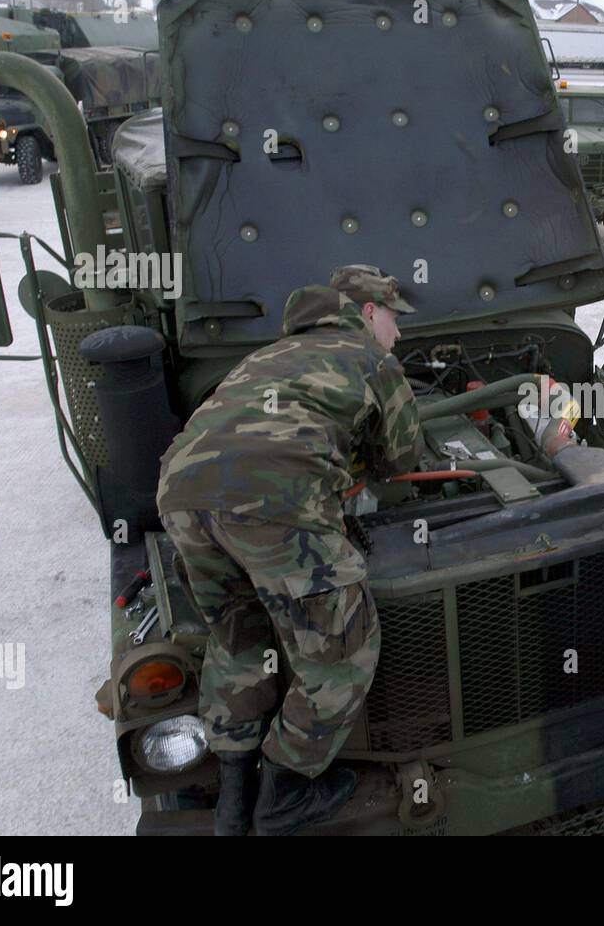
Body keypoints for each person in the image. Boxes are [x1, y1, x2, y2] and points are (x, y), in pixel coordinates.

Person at [156, 265, 423, 836]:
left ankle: (233, 800)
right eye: (395, 319)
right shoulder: (372, 360)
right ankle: (287, 792)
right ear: (369, 313)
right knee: (340, 651)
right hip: (272, 504)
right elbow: (401, 462)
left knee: (241, 636)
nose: (398, 334)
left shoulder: (265, 358)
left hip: (181, 494)